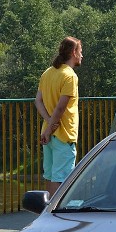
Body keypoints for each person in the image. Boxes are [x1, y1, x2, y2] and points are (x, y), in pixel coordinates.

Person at [34, 36, 83, 196]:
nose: (82, 56)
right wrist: (51, 128)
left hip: (48, 134)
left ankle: (46, 211)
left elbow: (38, 101)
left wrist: (48, 126)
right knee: (61, 178)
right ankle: (55, 215)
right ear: (73, 52)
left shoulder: (48, 73)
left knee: (49, 176)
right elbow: (61, 107)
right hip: (64, 134)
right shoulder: (70, 76)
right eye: (80, 52)